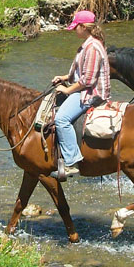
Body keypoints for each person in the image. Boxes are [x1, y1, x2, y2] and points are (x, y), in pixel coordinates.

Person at [50, 10, 110, 179]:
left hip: (91, 93)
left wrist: (67, 90)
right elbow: (80, 72)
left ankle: (71, 162)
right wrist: (64, 78)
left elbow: (88, 80)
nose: (74, 30)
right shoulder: (89, 44)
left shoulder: (92, 47)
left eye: (76, 27)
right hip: (85, 89)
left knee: (61, 119)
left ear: (84, 27)